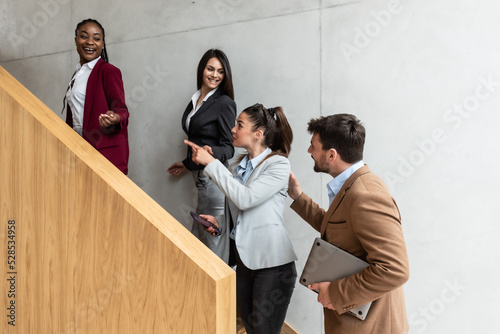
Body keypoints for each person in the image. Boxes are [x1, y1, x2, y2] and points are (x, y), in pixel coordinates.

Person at [288, 114, 410, 333]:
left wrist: (334, 293)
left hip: (370, 326)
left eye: (313, 146)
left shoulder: (366, 194)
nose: (309, 152)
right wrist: (298, 197)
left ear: (332, 154)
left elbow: (395, 269)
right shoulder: (351, 187)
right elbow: (336, 227)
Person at [185, 104, 297, 334]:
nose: (233, 130)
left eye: (239, 125)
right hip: (246, 264)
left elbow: (246, 199)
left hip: (272, 266)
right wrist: (220, 224)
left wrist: (212, 163)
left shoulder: (278, 165)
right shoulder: (240, 169)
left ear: (259, 133)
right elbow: (243, 213)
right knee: (250, 329)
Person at [167, 49, 236, 262]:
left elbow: (229, 148)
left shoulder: (224, 103)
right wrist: (187, 164)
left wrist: (211, 151)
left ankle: (224, 294)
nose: (215, 75)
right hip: (200, 179)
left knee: (212, 243)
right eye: (210, 69)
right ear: (202, 70)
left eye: (220, 71)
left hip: (214, 180)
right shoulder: (196, 99)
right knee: (199, 242)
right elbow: (197, 139)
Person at [64, 19, 129, 174]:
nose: (90, 42)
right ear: (76, 41)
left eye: (97, 38)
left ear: (103, 44)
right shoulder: (78, 74)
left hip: (102, 151)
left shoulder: (107, 71)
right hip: (78, 146)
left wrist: (115, 117)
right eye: (84, 36)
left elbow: (122, 110)